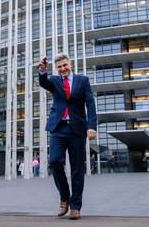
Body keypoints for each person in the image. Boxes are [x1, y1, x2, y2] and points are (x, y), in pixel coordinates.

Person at [39, 53, 97, 220]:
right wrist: (43, 71)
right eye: (59, 67)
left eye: (65, 65)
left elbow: (90, 104)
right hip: (58, 128)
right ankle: (65, 197)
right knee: (55, 161)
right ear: (56, 69)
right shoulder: (55, 81)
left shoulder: (83, 80)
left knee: (77, 169)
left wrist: (91, 126)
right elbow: (44, 83)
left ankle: (75, 207)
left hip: (77, 129)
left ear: (70, 64)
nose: (62, 69)